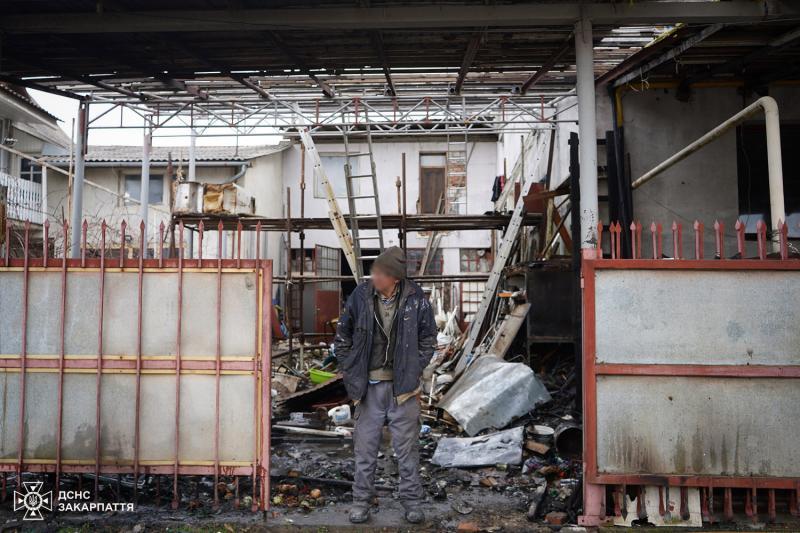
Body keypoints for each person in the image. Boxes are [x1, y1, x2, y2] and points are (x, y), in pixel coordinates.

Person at [334, 246, 437, 524]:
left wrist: (415, 366)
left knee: (407, 451)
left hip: (403, 390)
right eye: (375, 271)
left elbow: (429, 337)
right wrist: (349, 367)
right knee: (365, 450)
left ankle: (412, 503)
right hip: (368, 389)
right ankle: (361, 503)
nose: (375, 276)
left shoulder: (416, 298)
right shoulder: (361, 296)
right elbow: (342, 335)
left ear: (395, 277)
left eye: (381, 272)